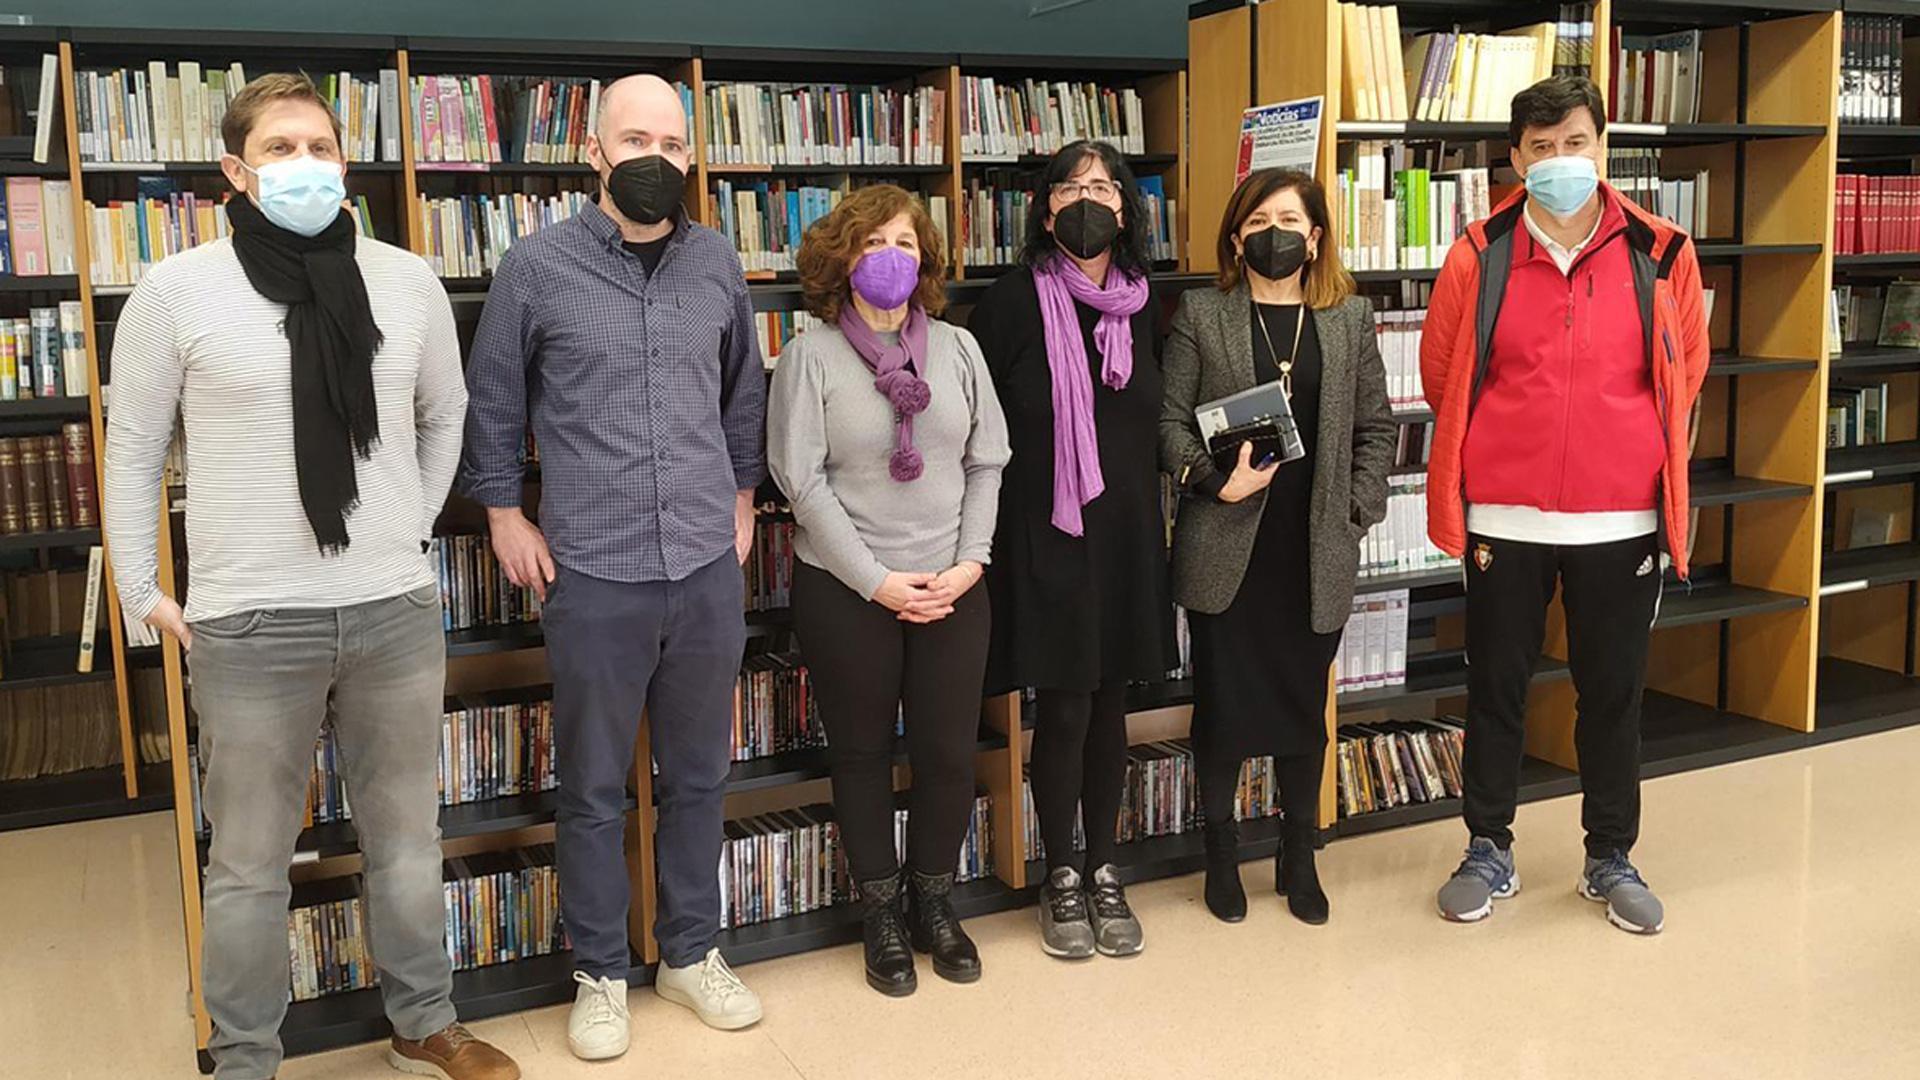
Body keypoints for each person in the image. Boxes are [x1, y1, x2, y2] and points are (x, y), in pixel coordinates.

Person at [102, 74, 518, 1080]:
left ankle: (424, 1020)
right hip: (249, 625)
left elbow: (444, 414)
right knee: (247, 866)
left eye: (321, 146)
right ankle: (244, 1055)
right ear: (236, 172)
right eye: (281, 148)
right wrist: (139, 589)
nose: (306, 165)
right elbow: (131, 450)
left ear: (346, 162)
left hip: (392, 613)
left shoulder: (405, 280)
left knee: (409, 843)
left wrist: (410, 525)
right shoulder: (175, 290)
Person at [461, 74, 765, 1058]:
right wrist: (504, 511)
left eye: (674, 144)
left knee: (699, 777)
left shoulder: (717, 262)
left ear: (690, 157)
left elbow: (742, 396)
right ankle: (600, 972)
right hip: (591, 567)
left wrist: (743, 497)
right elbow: (495, 400)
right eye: (635, 139)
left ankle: (688, 953)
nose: (656, 159)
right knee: (592, 787)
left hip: (704, 564)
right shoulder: (535, 267)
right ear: (593, 151)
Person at [1423, 75, 1708, 936]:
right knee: (1496, 691)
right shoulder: (1480, 251)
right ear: (1515, 159)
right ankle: (1486, 848)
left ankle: (1610, 855)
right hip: (1502, 519)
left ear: (1602, 147)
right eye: (1540, 149)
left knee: (1612, 693)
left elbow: (1683, 375)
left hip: (1620, 520)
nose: (1559, 161)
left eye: (1574, 143)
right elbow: (1444, 374)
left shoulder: (1661, 252)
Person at [768, 184, 1010, 996]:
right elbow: (800, 483)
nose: (890, 258)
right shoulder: (809, 358)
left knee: (947, 753)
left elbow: (987, 460)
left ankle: (935, 902)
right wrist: (877, 583)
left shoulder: (959, 351)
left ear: (927, 259)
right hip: (847, 590)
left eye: (905, 243)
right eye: (873, 244)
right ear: (842, 258)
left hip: (952, 583)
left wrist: (970, 563)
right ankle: (879, 911)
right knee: (864, 754)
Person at [1160, 168, 1396, 927]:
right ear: (1236, 235)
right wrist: (1208, 481)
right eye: (1259, 219)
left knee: (1303, 710)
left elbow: (1376, 427)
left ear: (1317, 235)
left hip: (1314, 549)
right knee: (1224, 711)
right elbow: (1167, 425)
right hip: (1227, 547)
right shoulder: (1203, 314)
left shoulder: (1349, 318)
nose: (1275, 231)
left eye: (1290, 218)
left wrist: (1357, 510)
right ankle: (1221, 852)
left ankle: (1299, 854)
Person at [970, 140, 1175, 959]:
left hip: (1127, 538)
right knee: (1063, 709)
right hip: (1047, 535)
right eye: (1072, 186)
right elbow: (979, 428)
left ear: (1126, 209)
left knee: (1113, 710)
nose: (1089, 199)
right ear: (1047, 207)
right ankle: (1060, 875)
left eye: (1104, 186)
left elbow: (1160, 422)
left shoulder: (1146, 303)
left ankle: (1104, 868)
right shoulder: (1013, 302)